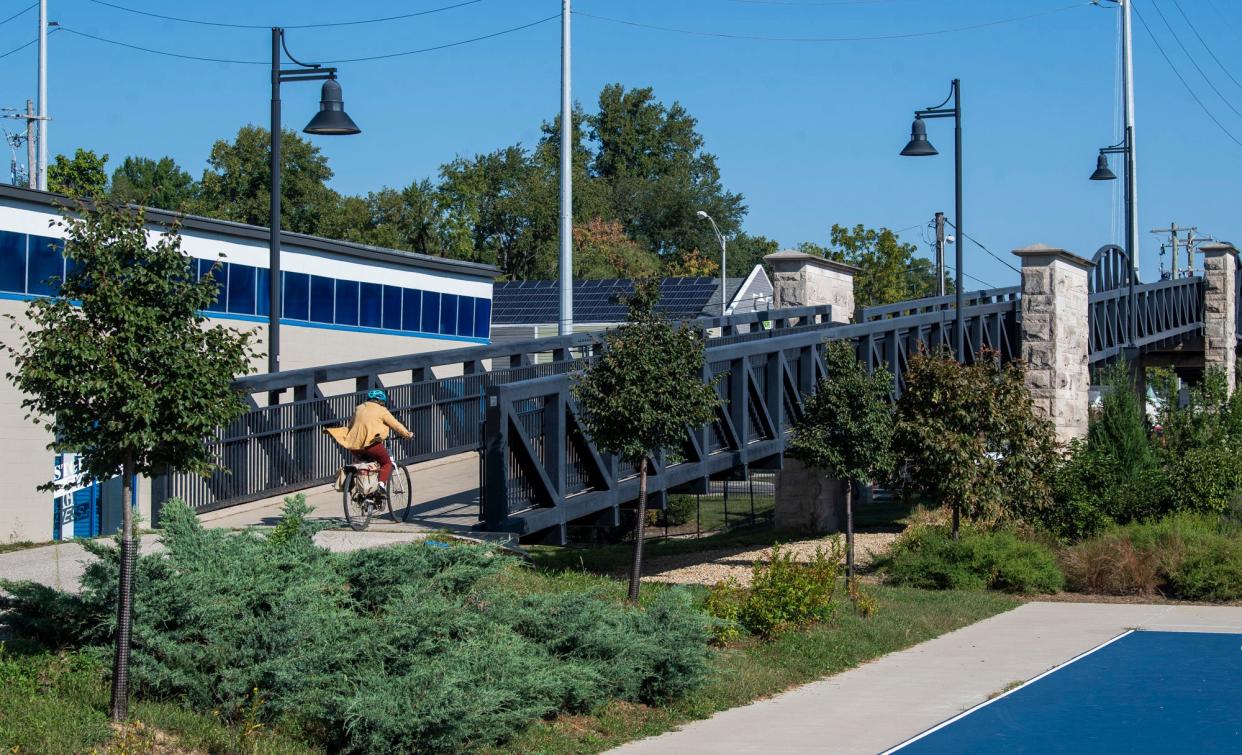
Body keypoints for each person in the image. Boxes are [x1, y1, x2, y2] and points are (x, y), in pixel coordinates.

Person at [325, 389, 412, 493]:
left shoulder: (359, 408)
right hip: (372, 445)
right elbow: (396, 425)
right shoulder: (382, 410)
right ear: (381, 402)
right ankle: (381, 485)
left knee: (365, 463)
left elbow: (351, 426)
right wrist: (407, 434)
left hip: (355, 447)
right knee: (386, 463)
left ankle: (363, 492)